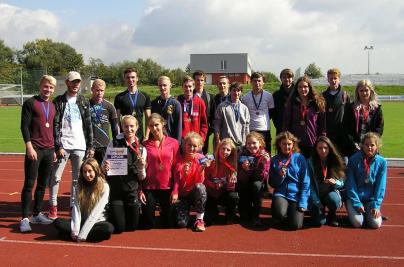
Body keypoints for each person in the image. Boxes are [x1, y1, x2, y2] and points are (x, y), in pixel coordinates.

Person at [48, 71, 94, 220]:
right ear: (67, 82)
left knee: (77, 180)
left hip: (80, 145)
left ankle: (73, 206)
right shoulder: (59, 101)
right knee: (55, 177)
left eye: (78, 82)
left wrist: (90, 146)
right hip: (64, 146)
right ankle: (53, 206)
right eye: (73, 82)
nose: (76, 84)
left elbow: (88, 125)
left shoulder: (83, 101)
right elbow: (55, 125)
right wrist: (58, 145)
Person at [20, 75, 57, 232]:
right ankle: (25, 218)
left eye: (51, 87)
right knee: (29, 183)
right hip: (35, 149)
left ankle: (37, 214)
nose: (48, 89)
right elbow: (24, 126)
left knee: (43, 184)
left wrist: (54, 149)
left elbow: (53, 128)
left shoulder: (53, 105)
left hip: (49, 150)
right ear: (40, 86)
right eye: (45, 86)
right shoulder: (30, 103)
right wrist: (29, 146)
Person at [103, 115, 147, 233]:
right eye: (126, 126)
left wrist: (142, 167)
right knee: (119, 228)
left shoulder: (141, 149)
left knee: (132, 228)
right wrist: (105, 167)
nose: (129, 129)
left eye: (132, 126)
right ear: (122, 127)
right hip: (116, 191)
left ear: (137, 127)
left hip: (132, 191)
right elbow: (103, 167)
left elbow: (142, 177)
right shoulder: (114, 143)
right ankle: (109, 210)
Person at [54, 158, 114, 242]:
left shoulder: (104, 186)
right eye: (84, 172)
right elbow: (76, 209)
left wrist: (83, 233)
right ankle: (85, 236)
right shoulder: (78, 186)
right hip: (81, 221)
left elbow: (96, 212)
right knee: (57, 222)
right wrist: (75, 230)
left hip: (96, 222)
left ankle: (73, 236)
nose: (87, 174)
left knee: (108, 228)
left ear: (96, 170)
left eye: (90, 171)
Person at [140, 113, 180, 229]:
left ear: (163, 124)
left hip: (167, 187)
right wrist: (140, 190)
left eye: (156, 125)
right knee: (148, 225)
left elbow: (177, 167)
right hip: (149, 187)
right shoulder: (145, 145)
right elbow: (140, 169)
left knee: (169, 224)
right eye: (151, 126)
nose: (154, 128)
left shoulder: (173, 143)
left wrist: (176, 190)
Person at [269, 131, 310, 230]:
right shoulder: (274, 160)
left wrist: (303, 201)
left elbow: (306, 181)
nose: (286, 147)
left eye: (289, 144)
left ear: (293, 144)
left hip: (296, 195)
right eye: (284, 144)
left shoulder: (300, 158)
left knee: (296, 225)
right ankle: (280, 214)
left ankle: (291, 215)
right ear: (279, 144)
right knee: (279, 214)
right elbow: (272, 183)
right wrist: (280, 176)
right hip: (280, 193)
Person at [346, 132, 387, 229]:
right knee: (358, 223)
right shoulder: (353, 160)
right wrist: (356, 203)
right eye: (366, 145)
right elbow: (350, 184)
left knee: (376, 224)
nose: (369, 147)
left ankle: (367, 213)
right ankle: (351, 208)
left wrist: (376, 205)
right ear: (362, 146)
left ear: (377, 146)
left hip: (370, 200)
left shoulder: (382, 162)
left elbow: (381, 186)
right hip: (355, 199)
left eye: (372, 145)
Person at [171, 132, 207, 232]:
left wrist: (201, 170)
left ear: (199, 147)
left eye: (195, 146)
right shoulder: (179, 160)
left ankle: (199, 219)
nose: (191, 148)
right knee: (181, 223)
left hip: (194, 193)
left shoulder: (201, 159)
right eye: (189, 145)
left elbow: (199, 182)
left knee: (201, 188)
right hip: (182, 195)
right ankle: (186, 214)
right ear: (184, 145)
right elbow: (177, 181)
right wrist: (175, 192)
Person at [283, 76, 326, 158]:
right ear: (296, 89)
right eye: (300, 87)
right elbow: (286, 124)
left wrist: (321, 140)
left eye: (305, 86)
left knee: (311, 168)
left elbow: (322, 124)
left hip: (313, 143)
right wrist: (288, 140)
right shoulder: (291, 103)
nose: (303, 89)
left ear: (309, 87)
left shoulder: (317, 103)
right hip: (296, 143)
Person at [308, 136, 345, 227]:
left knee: (334, 200)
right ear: (316, 149)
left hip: (329, 194)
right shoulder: (310, 162)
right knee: (319, 223)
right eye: (320, 148)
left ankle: (332, 214)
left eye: (326, 148)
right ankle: (320, 211)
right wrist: (317, 202)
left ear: (330, 148)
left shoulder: (335, 161)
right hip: (315, 196)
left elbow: (342, 184)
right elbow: (309, 186)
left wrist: (335, 182)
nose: (323, 150)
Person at [341, 79, 384, 157]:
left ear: (371, 91)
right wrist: (354, 143)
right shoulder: (351, 108)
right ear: (357, 92)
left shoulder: (377, 109)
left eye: (366, 90)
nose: (364, 93)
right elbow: (345, 128)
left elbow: (379, 129)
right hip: (354, 149)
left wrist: (369, 144)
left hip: (370, 148)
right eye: (361, 90)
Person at [237, 132, 270, 226]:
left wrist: (263, 165)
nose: (251, 146)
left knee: (257, 185)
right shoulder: (241, 154)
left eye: (254, 143)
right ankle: (245, 209)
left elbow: (262, 178)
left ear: (260, 143)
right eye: (248, 143)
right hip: (244, 184)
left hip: (257, 184)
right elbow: (240, 178)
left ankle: (256, 215)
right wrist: (245, 170)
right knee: (244, 217)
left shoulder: (265, 155)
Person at [204, 138, 239, 225]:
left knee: (233, 196)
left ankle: (230, 216)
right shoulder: (210, 162)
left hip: (223, 194)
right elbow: (204, 180)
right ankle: (213, 212)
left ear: (231, 152)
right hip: (211, 195)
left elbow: (231, 189)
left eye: (228, 150)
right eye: (223, 148)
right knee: (209, 221)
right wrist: (214, 185)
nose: (225, 151)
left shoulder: (231, 166)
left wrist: (230, 184)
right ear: (218, 149)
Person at [114, 67, 151, 142]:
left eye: (133, 77)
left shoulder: (145, 96)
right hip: (124, 137)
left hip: (140, 138)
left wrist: (146, 137)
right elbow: (117, 119)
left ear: (137, 78)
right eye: (128, 77)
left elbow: (148, 118)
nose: (130, 80)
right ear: (124, 79)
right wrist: (118, 135)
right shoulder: (119, 97)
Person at [241, 72, 274, 153]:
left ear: (263, 82)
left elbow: (271, 112)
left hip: (264, 129)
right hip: (251, 129)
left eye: (259, 81)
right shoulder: (245, 97)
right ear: (251, 82)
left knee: (266, 153)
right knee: (251, 153)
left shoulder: (269, 96)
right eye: (255, 81)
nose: (257, 83)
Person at [89, 79, 119, 164]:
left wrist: (116, 144)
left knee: (104, 172)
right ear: (92, 89)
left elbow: (114, 128)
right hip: (90, 146)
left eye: (102, 91)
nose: (99, 93)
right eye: (97, 90)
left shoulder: (109, 106)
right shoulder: (86, 105)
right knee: (90, 171)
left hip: (105, 145)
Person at [214, 82, 250, 151]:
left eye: (238, 90)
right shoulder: (222, 106)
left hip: (241, 144)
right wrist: (217, 139)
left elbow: (246, 127)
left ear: (241, 92)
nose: (236, 93)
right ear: (230, 91)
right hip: (226, 144)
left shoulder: (244, 108)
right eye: (234, 90)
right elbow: (217, 125)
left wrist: (246, 142)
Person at [322, 68, 350, 152]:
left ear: (339, 79)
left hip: (341, 134)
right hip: (327, 134)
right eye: (331, 78)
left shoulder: (344, 95)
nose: (333, 81)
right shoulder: (322, 96)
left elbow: (349, 115)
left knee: (341, 159)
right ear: (328, 79)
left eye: (335, 78)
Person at [150, 76, 182, 144]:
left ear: (170, 86)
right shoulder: (154, 103)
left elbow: (178, 125)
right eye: (160, 85)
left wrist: (178, 143)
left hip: (170, 141)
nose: (162, 88)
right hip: (156, 141)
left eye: (165, 85)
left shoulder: (175, 103)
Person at [177, 76, 208, 144]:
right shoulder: (177, 102)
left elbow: (204, 124)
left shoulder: (200, 102)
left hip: (196, 142)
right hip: (182, 142)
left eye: (190, 86)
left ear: (193, 87)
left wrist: (201, 139)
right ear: (182, 87)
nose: (188, 89)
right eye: (185, 86)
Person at [193, 70, 214, 154]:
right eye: (197, 80)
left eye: (201, 80)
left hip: (204, 132)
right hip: (191, 130)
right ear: (194, 81)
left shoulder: (210, 97)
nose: (199, 82)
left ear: (204, 81)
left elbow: (212, 115)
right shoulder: (188, 96)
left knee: (202, 156)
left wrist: (209, 130)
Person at [272, 68, 295, 135]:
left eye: (289, 77)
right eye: (284, 77)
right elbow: (274, 114)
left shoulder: (298, 93)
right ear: (281, 79)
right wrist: (278, 125)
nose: (287, 79)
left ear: (292, 78)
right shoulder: (276, 95)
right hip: (281, 129)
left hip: (296, 129)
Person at [212, 76, 230, 150]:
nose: (222, 85)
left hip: (230, 133)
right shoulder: (214, 99)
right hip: (218, 133)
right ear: (217, 85)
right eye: (220, 84)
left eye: (224, 83)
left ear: (228, 85)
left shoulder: (234, 98)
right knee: (217, 156)